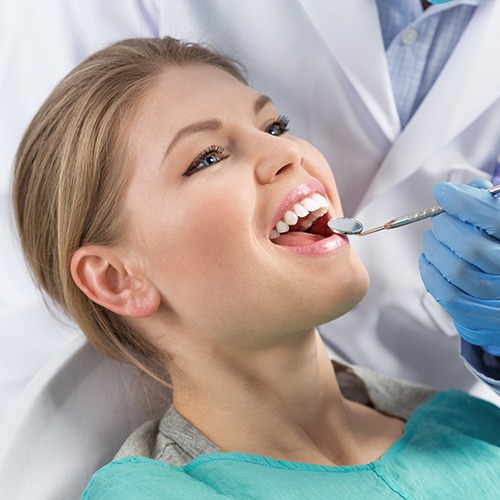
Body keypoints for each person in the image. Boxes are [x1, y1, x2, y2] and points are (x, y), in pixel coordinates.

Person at [12, 36, 499, 499]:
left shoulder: (466, 424)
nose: (288, 152)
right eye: (206, 158)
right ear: (117, 280)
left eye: (274, 127)